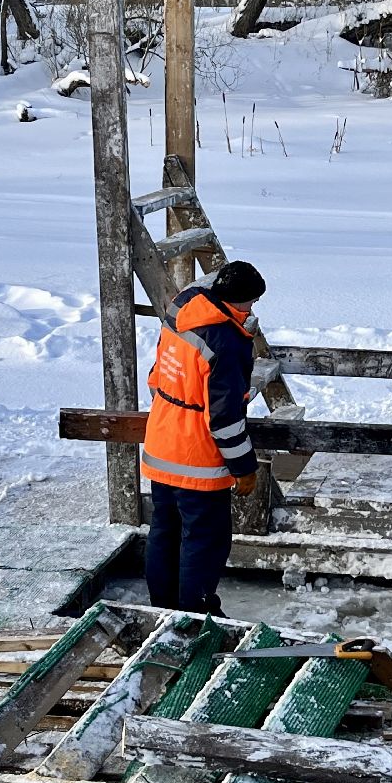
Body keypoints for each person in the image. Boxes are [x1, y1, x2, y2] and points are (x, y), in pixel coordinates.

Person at [141, 260, 266, 615]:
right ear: (234, 301)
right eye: (250, 303)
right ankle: (196, 613)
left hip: (162, 440)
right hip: (198, 461)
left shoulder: (183, 309)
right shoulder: (225, 341)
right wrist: (244, 468)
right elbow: (225, 419)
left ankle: (162, 609)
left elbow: (157, 374)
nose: (251, 310)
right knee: (204, 541)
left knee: (164, 531)